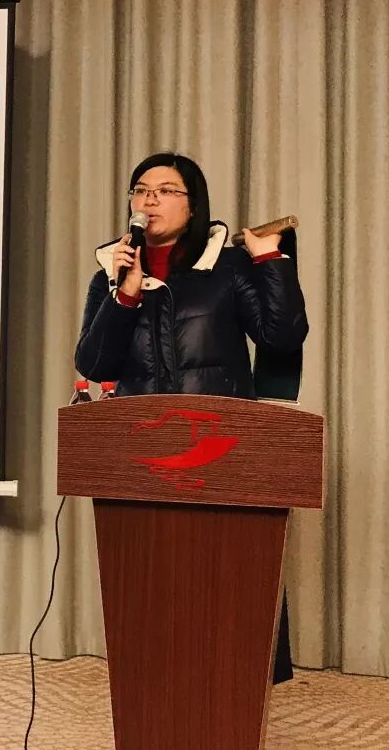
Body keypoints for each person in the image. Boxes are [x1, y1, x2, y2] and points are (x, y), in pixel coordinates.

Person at [74, 151, 308, 684]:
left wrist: (271, 261)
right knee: (153, 578)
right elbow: (94, 364)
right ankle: (158, 689)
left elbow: (282, 337)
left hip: (221, 446)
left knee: (228, 576)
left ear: (193, 204)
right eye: (141, 190)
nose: (149, 200)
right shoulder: (110, 275)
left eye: (165, 190)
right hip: (143, 452)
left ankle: (236, 691)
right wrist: (124, 295)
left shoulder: (226, 267)